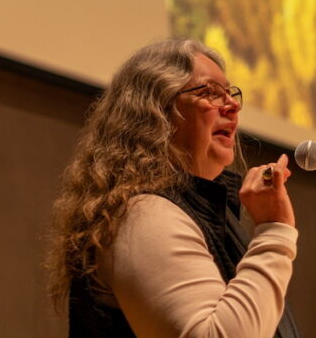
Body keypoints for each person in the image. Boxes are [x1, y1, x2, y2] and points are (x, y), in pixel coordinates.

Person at [47, 38, 300, 337]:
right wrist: (273, 231)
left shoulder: (202, 214)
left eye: (230, 93)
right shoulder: (142, 217)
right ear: (156, 112)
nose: (232, 106)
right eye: (209, 93)